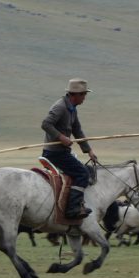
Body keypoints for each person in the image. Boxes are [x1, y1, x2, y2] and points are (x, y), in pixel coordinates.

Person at [41, 78, 98, 219]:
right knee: (82, 174)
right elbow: (46, 124)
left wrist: (89, 150)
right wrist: (61, 137)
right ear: (75, 94)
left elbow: (77, 130)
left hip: (63, 152)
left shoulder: (72, 109)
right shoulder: (60, 107)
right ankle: (73, 209)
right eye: (83, 94)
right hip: (54, 153)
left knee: (87, 170)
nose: (85, 97)